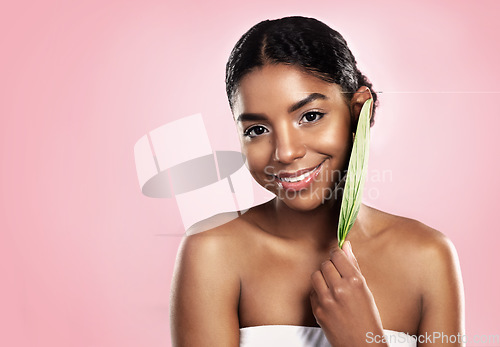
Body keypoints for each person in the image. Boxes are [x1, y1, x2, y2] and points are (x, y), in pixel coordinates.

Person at [170, 16, 464, 346]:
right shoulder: (213, 252)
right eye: (257, 130)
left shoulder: (428, 257)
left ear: (357, 111)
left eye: (310, 116)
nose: (286, 152)